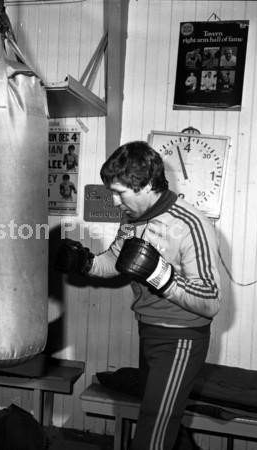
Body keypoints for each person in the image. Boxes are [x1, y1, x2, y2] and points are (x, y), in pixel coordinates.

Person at [56, 141, 221, 450]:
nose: (115, 201)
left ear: (146, 185)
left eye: (121, 192)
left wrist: (161, 276)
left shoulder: (191, 224)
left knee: (152, 431)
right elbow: (115, 262)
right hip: (149, 333)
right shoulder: (132, 219)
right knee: (161, 419)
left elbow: (210, 299)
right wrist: (85, 263)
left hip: (181, 339)